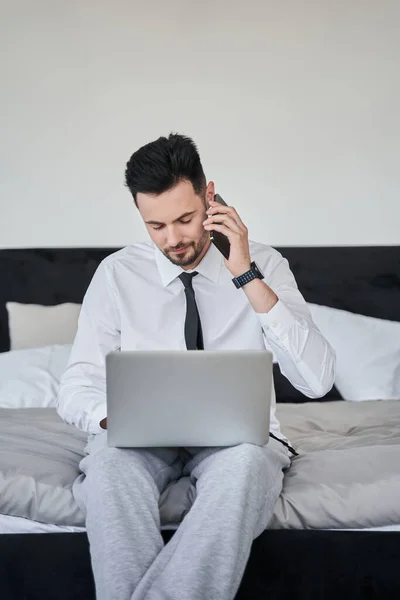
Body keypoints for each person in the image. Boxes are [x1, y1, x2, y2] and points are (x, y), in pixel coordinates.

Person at [57, 133, 336, 600]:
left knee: (245, 465)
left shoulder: (264, 264)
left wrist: (245, 272)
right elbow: (75, 386)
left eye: (185, 219)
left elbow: (316, 380)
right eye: (156, 226)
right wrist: (116, 416)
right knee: (108, 470)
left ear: (210, 197)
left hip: (238, 443)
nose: (173, 239)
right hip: (140, 440)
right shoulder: (117, 274)